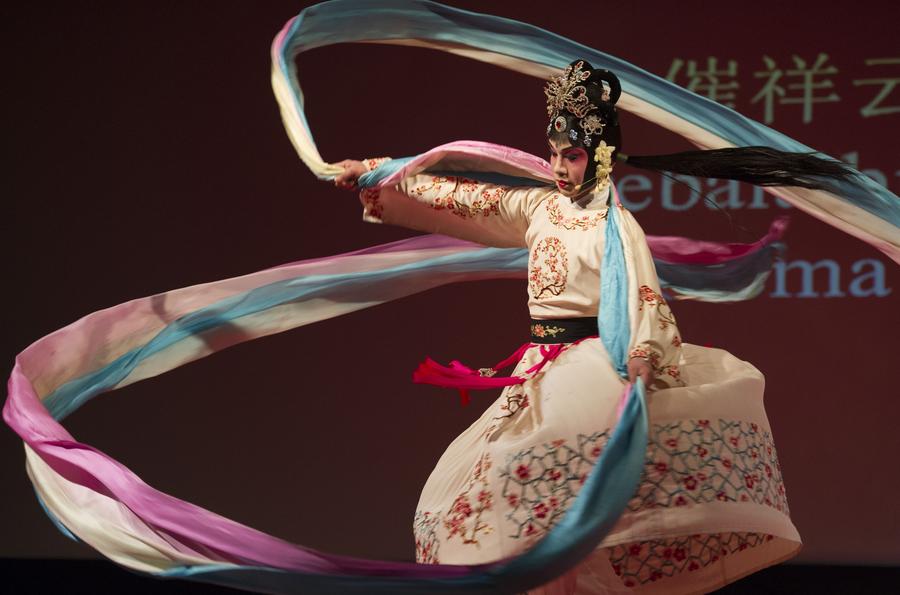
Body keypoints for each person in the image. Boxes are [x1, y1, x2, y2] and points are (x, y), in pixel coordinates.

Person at [332, 60, 853, 594]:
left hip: (589, 368)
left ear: (601, 155)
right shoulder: (539, 207)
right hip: (538, 371)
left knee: (562, 509)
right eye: (554, 153)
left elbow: (642, 292)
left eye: (573, 155)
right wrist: (374, 173)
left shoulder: (615, 223)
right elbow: (465, 198)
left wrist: (643, 356)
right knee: (479, 491)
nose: (559, 166)